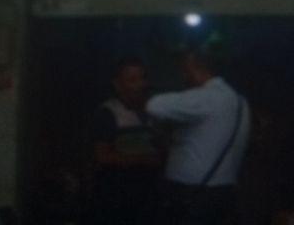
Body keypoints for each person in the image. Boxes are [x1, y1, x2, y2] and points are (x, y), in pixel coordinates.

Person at [146, 45, 251, 225]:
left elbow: (154, 105)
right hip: (224, 192)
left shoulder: (205, 98)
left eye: (184, 70)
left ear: (193, 67)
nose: (183, 76)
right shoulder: (241, 102)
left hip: (192, 196)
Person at [89, 56, 162, 225]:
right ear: (117, 84)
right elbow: (102, 156)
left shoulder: (154, 111)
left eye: (142, 78)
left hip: (148, 197)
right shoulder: (108, 113)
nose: (139, 85)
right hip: (117, 197)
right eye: (132, 80)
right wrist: (144, 160)